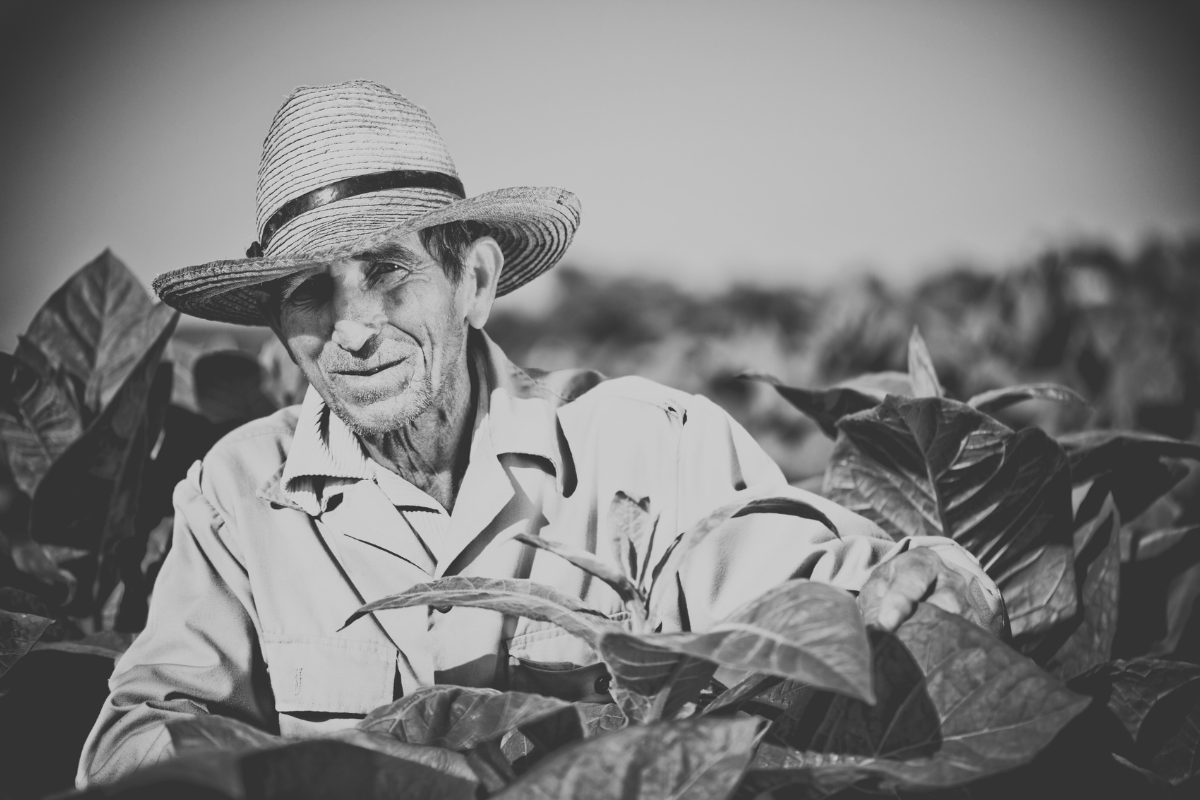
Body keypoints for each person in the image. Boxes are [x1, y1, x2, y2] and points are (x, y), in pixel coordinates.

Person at [78, 80, 1006, 786]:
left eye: (387, 273)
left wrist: (924, 580)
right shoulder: (239, 496)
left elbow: (814, 585)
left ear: (474, 282)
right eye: (310, 292)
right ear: (281, 326)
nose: (353, 327)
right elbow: (134, 739)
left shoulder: (646, 445)